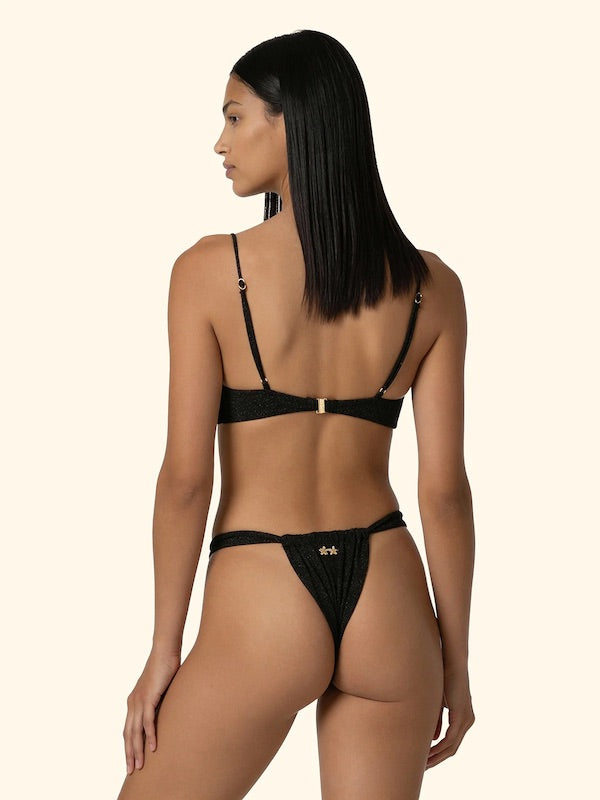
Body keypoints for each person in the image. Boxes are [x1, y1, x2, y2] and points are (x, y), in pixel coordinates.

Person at [117, 29, 475, 800]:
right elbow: (445, 494)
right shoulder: (432, 287)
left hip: (264, 593)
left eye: (235, 117)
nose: (220, 142)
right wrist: (456, 661)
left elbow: (186, 481)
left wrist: (163, 649)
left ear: (293, 124)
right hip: (390, 599)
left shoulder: (210, 271)